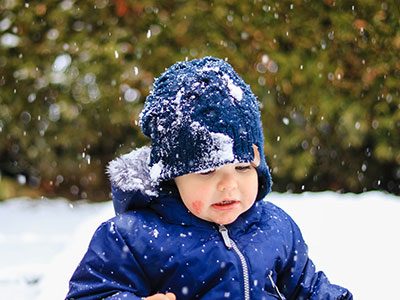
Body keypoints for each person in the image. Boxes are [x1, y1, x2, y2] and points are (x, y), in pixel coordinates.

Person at [66, 57, 352, 300]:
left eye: (242, 167)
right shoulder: (132, 238)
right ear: (172, 176)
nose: (229, 185)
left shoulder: (274, 226)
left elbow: (310, 289)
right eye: (206, 171)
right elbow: (91, 294)